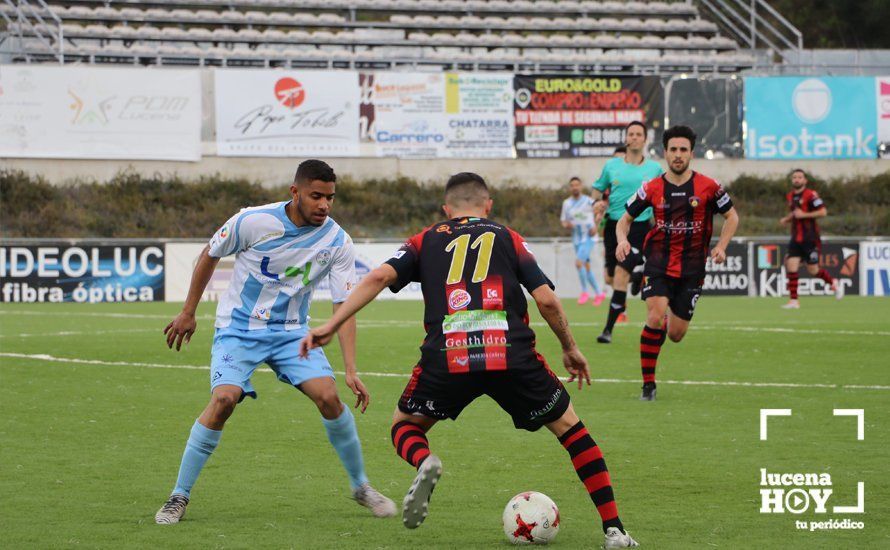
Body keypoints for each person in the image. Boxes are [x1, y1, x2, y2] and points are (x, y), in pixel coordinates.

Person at [300, 173, 639, 548]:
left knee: (404, 427)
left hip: (449, 355)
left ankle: (424, 460)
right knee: (572, 431)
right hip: (509, 353)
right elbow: (545, 300)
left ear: (446, 209)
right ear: (488, 205)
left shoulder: (425, 238)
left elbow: (379, 276)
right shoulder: (509, 237)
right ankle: (615, 530)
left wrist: (331, 323)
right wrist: (571, 348)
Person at [155, 160, 395, 524]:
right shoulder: (253, 221)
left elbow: (344, 305)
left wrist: (350, 369)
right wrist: (189, 312)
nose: (324, 205)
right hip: (239, 330)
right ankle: (178, 495)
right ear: (294, 192)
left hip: (293, 334)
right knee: (223, 400)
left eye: (330, 197)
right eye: (316, 196)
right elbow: (209, 254)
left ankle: (361, 486)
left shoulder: (337, 241)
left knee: (329, 398)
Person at [617, 126, 739, 401]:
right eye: (673, 149)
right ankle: (648, 385)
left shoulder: (709, 186)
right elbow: (624, 219)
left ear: (691, 153)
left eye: (683, 150)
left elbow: (732, 217)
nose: (678, 155)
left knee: (675, 334)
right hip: (658, 263)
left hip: (692, 269)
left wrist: (721, 246)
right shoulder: (652, 187)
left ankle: (667, 312)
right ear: (665, 153)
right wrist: (622, 240)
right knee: (654, 316)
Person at [593, 121, 663, 344]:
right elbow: (597, 188)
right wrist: (598, 203)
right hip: (614, 226)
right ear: (626, 138)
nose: (634, 137)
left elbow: (665, 193)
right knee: (610, 278)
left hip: (639, 227)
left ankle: (608, 330)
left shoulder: (654, 169)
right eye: (630, 134)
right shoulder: (612, 166)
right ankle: (638, 276)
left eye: (638, 134)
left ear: (644, 139)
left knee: (620, 276)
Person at [779, 169, 843, 308]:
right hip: (796, 238)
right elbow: (795, 213)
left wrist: (804, 215)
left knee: (813, 270)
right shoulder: (790, 196)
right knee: (791, 265)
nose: (797, 179)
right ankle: (794, 301)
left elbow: (823, 212)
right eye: (794, 177)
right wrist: (787, 219)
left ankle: (833, 283)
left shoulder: (811, 195)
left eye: (799, 177)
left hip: (810, 238)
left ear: (805, 180)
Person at [561, 176, 606, 305]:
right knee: (586, 267)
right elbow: (564, 221)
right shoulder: (567, 203)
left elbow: (600, 210)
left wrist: (596, 226)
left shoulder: (588, 201)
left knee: (578, 263)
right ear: (570, 187)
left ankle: (584, 292)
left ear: (581, 186)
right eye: (572, 185)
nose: (575, 187)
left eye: (577, 185)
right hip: (576, 239)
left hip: (589, 237)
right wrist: (567, 225)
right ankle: (598, 293)